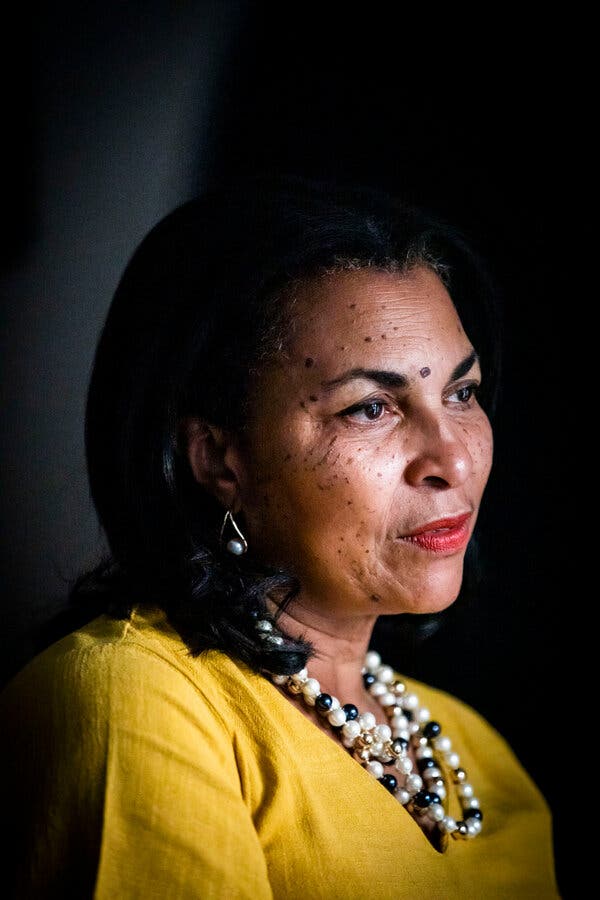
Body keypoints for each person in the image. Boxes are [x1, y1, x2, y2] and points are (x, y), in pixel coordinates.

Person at [1, 174, 559, 898]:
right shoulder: (135, 700)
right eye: (369, 409)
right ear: (218, 458)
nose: (452, 459)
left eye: (461, 393)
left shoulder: (473, 753)